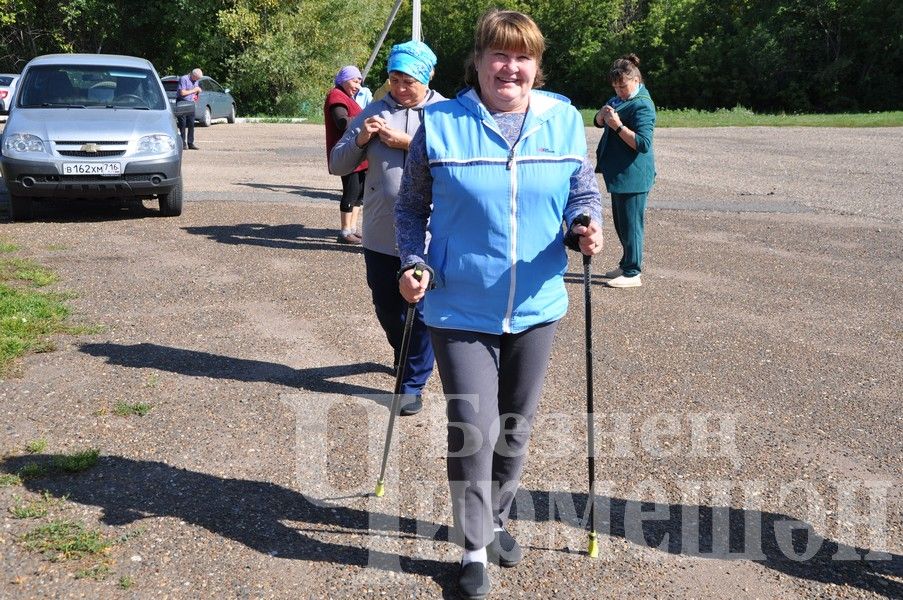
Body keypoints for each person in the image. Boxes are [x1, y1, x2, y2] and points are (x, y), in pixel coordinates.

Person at [394, 10, 603, 599]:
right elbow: (411, 208)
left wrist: (586, 223)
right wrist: (414, 261)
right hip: (458, 307)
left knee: (514, 428)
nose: (510, 67)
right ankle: (474, 546)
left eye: (523, 57)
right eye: (499, 55)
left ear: (536, 65)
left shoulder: (562, 120)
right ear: (479, 62)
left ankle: (499, 514)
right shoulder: (439, 124)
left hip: (536, 304)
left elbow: (581, 190)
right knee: (472, 428)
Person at [330, 41, 443, 415]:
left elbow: (455, 164)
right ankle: (403, 351)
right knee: (386, 307)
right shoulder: (373, 111)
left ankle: (412, 384)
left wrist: (407, 142)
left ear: (426, 78)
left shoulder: (445, 114)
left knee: (421, 311)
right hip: (380, 231)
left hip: (427, 232)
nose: (399, 87)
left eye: (407, 80)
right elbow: (337, 164)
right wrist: (362, 137)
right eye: (393, 79)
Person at [593, 53, 656, 288]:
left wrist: (617, 125)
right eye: (616, 87)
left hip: (634, 175)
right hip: (620, 174)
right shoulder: (620, 99)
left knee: (632, 225)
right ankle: (626, 262)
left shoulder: (642, 105)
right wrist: (601, 117)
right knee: (622, 223)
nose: (619, 91)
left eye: (623, 86)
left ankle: (632, 273)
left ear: (636, 81)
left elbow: (643, 143)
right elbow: (599, 120)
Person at [324, 66, 367, 244]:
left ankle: (353, 228)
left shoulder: (349, 97)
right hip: (346, 153)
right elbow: (342, 122)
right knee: (351, 192)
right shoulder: (336, 95)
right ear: (344, 79)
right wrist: (367, 122)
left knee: (359, 193)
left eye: (360, 82)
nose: (358, 85)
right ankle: (344, 232)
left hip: (358, 152)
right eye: (355, 80)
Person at [177, 68, 202, 150]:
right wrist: (194, 90)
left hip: (191, 104)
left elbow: (195, 92)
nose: (198, 80)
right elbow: (182, 93)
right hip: (182, 103)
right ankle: (183, 143)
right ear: (193, 75)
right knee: (182, 124)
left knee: (191, 124)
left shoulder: (196, 81)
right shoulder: (184, 79)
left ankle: (190, 143)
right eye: (197, 78)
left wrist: (197, 93)